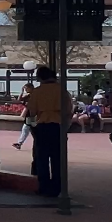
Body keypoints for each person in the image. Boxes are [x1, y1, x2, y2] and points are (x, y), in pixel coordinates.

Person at [25, 65, 72, 197]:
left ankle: (44, 187)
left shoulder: (38, 92)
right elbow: (68, 111)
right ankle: (57, 187)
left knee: (42, 159)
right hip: (58, 127)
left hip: (43, 126)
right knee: (58, 159)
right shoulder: (62, 91)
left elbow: (31, 112)